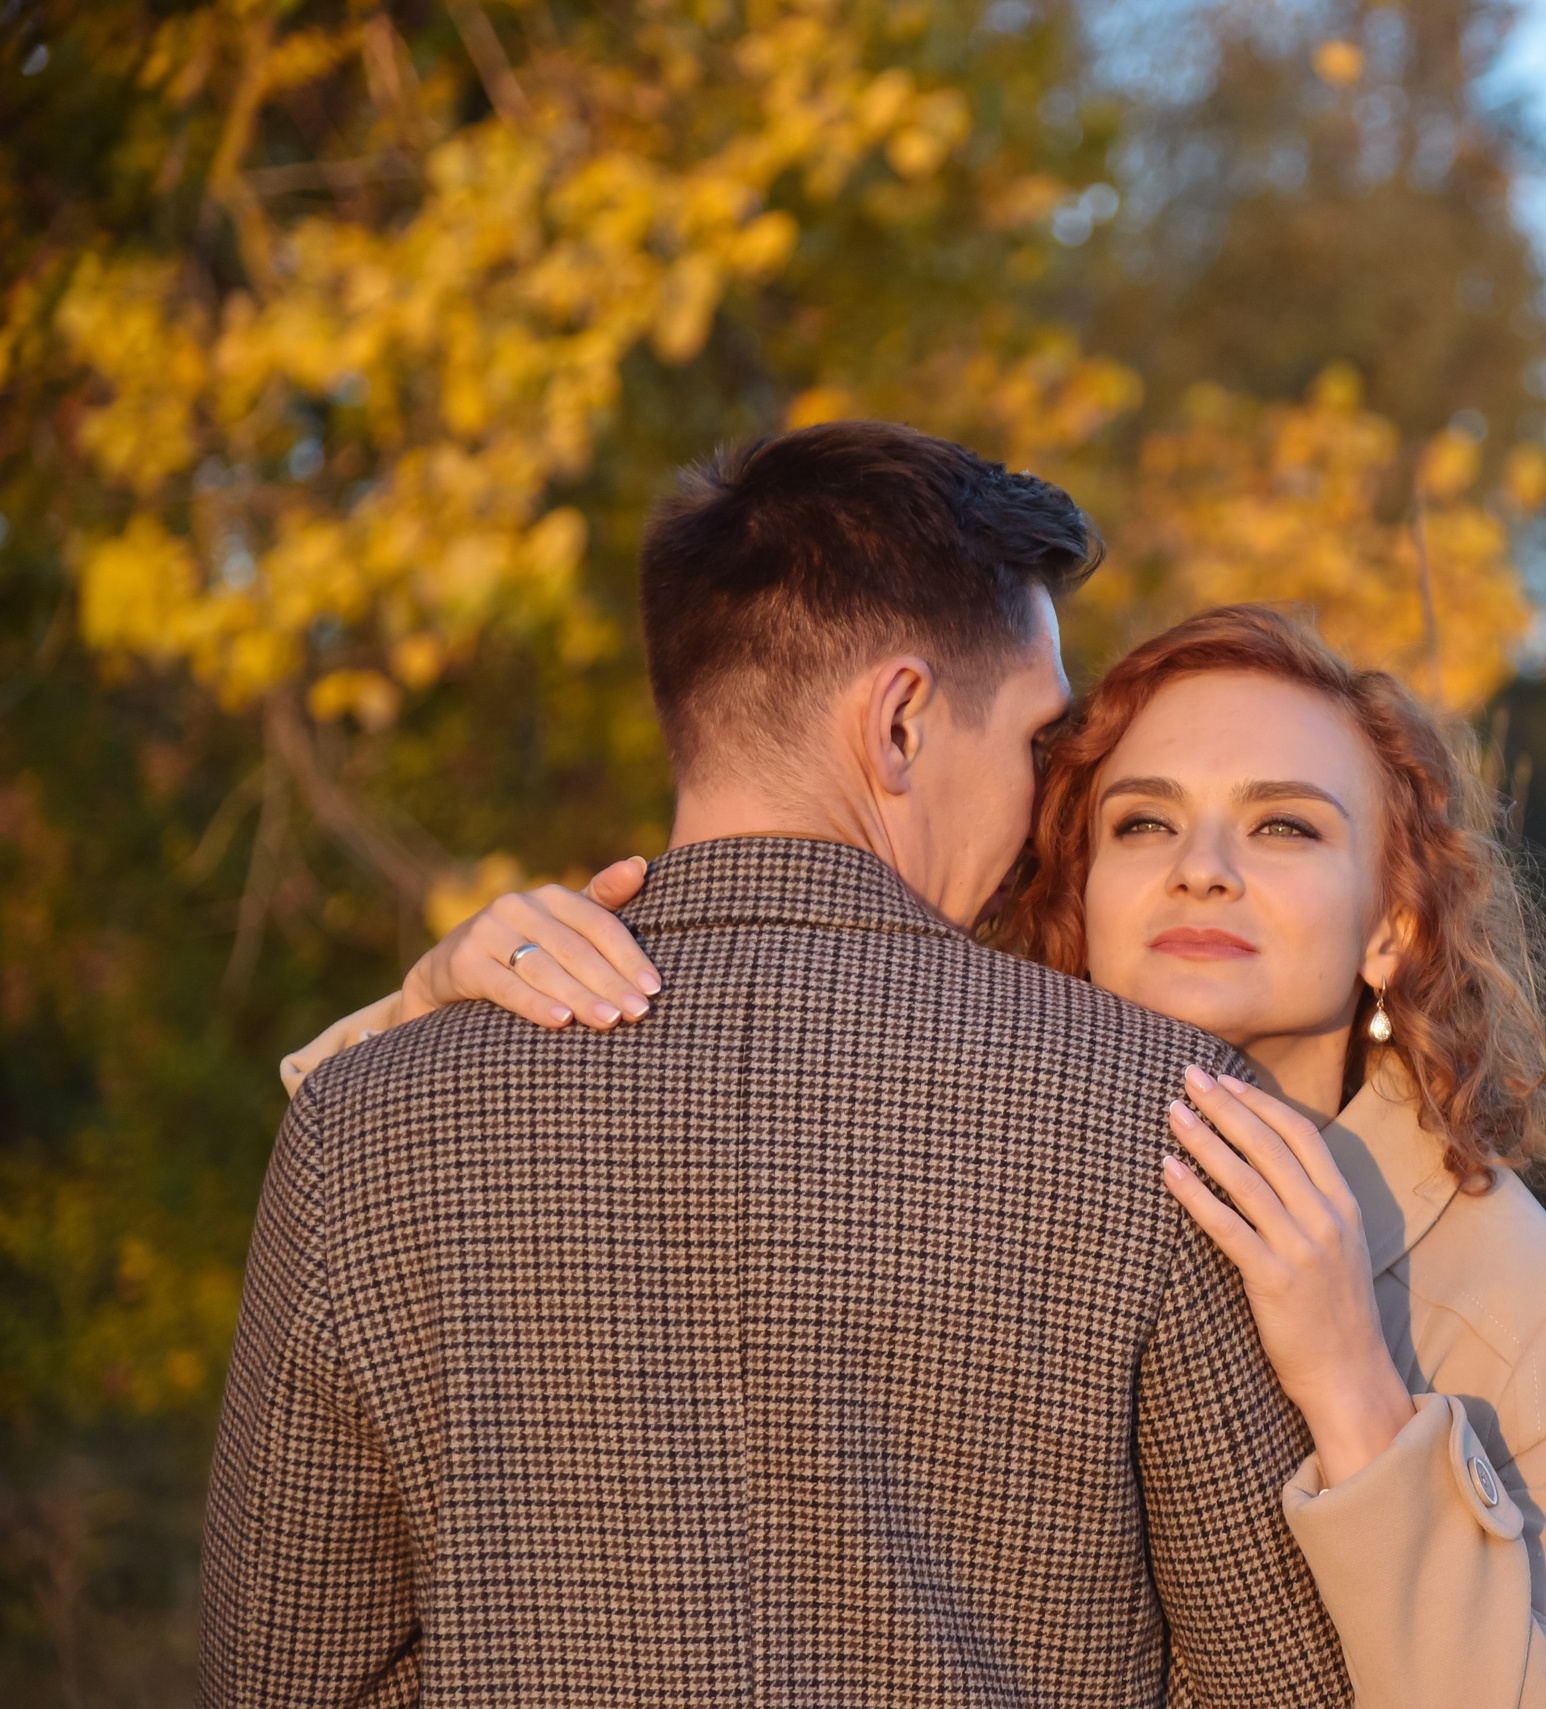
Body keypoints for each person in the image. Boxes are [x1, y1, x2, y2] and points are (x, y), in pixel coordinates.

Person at [292, 604, 1546, 1706]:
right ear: (1075, 890)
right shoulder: (935, 1149)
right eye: (1143, 822)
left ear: (1391, 929)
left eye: (1287, 824)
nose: (1205, 867)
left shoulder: (1536, 1305)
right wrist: (434, 1004)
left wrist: (1359, 1395)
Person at [203, 423, 1358, 1707]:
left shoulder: (365, 1122)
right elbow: (1277, 1679)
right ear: (902, 722)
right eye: (1037, 743)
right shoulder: (1171, 1115)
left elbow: (285, 1671)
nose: (1050, 807)